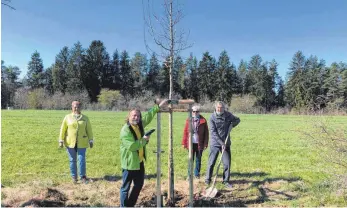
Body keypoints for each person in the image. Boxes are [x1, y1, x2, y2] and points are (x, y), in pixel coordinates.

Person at [120, 99, 168, 207]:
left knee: (138, 185)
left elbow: (148, 116)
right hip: (129, 164)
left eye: (137, 116)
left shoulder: (139, 125)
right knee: (125, 188)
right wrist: (144, 140)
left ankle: (130, 205)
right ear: (129, 116)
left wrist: (158, 107)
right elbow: (132, 146)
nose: (136, 117)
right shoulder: (125, 130)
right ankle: (123, 206)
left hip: (139, 162)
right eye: (133, 115)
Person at [205, 101, 240, 188]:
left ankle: (226, 181)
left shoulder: (228, 115)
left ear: (224, 108)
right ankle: (207, 179)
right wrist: (221, 143)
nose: (220, 109)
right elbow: (213, 133)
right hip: (215, 144)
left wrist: (232, 125)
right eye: (218, 108)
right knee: (211, 162)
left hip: (226, 143)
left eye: (222, 108)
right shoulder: (212, 117)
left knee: (227, 163)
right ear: (215, 108)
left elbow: (237, 120)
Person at [58, 101, 94, 184]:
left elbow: (89, 130)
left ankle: (83, 177)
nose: (76, 108)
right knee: (72, 160)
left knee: (81, 160)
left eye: (77, 106)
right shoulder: (67, 117)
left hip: (82, 142)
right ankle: (74, 177)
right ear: (72, 107)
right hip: (70, 142)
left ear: (80, 107)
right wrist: (61, 140)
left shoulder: (85, 118)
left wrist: (91, 140)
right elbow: (62, 129)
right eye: (74, 106)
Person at [181, 105, 209, 179]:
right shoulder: (188, 120)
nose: (195, 113)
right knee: (190, 159)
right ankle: (189, 175)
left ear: (199, 112)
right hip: (191, 143)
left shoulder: (203, 120)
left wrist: (206, 143)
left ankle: (196, 174)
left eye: (197, 111)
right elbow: (185, 132)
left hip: (200, 143)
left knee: (198, 160)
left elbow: (206, 133)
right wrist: (184, 143)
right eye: (193, 111)